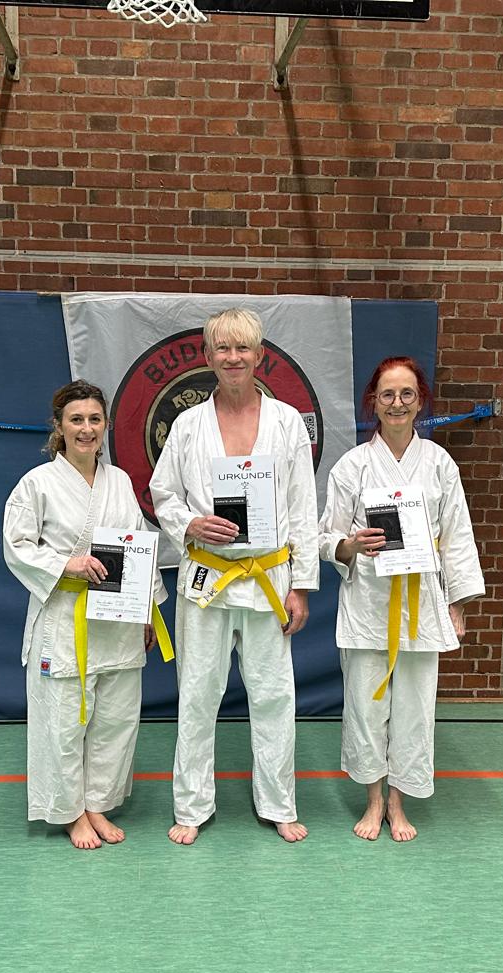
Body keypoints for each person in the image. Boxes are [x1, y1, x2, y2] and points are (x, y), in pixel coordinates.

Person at [149, 308, 318, 845]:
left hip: (268, 576)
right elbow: (162, 493)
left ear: (259, 354)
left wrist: (301, 585)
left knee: (273, 695)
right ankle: (192, 806)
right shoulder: (188, 425)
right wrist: (189, 524)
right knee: (198, 694)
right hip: (207, 574)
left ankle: (279, 803)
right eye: (222, 348)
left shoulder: (287, 422)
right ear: (208, 357)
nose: (233, 357)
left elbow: (303, 507)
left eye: (242, 347)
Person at [320, 357, 485, 842]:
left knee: (414, 709)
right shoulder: (352, 465)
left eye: (407, 394)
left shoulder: (439, 464)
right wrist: (351, 545)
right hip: (368, 601)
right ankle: (373, 799)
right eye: (388, 394)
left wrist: (457, 606)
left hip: (422, 602)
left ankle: (398, 802)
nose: (397, 403)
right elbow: (325, 536)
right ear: (373, 402)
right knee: (366, 707)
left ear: (420, 402)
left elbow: (457, 536)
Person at [3, 380, 169, 850]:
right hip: (64, 617)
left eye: (95, 419)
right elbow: (16, 546)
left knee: (115, 720)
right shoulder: (37, 483)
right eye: (76, 419)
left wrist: (147, 611)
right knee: (63, 721)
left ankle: (97, 803)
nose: (86, 428)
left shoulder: (119, 482)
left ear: (106, 425)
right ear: (58, 426)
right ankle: (70, 812)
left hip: (117, 617)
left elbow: (139, 547)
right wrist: (65, 564)